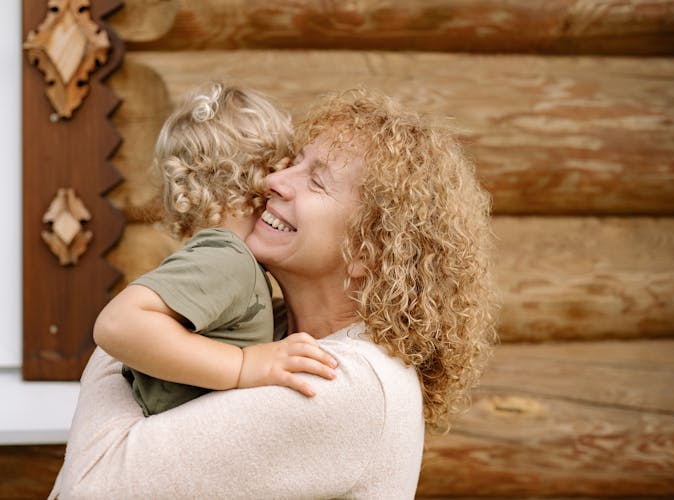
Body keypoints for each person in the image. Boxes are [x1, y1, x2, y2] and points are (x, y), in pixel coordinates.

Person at [50, 87, 496, 499]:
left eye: (316, 181)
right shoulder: (276, 335)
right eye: (295, 161)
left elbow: (90, 486)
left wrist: (141, 323)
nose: (273, 181)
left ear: (369, 249)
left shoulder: (344, 385)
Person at [94, 82, 338, 416]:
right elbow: (116, 324)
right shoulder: (227, 260)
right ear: (262, 175)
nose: (283, 187)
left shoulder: (225, 261)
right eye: (283, 169)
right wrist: (242, 365)